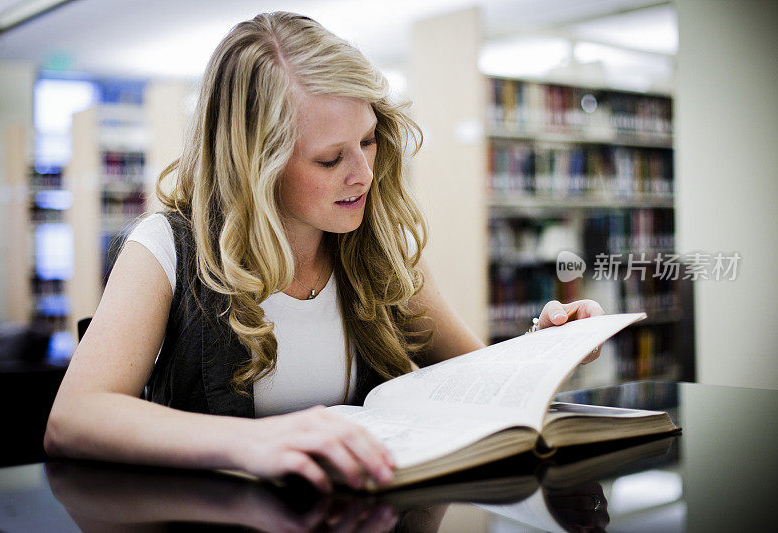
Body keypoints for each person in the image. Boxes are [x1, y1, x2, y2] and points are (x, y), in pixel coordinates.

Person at [44, 11, 604, 493]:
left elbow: (469, 377)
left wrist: (544, 348)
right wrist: (257, 443)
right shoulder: (167, 248)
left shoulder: (379, 247)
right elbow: (74, 419)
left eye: (367, 140)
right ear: (252, 164)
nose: (364, 174)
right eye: (330, 159)